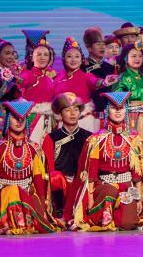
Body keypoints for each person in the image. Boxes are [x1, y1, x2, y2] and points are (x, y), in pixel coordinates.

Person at [67, 91, 143, 231]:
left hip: (126, 187)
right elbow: (91, 174)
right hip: (103, 187)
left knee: (128, 223)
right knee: (109, 191)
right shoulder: (96, 140)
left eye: (121, 108)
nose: (118, 111)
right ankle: (101, 215)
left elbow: (137, 174)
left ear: (126, 110)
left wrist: (139, 197)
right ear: (107, 110)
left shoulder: (134, 140)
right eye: (113, 108)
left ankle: (116, 215)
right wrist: (91, 200)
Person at [0, 99, 63, 234]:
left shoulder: (34, 149)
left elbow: (39, 182)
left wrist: (43, 212)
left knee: (20, 193)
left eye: (22, 118)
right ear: (7, 120)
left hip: (27, 195)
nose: (19, 121)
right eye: (15, 117)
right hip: (4, 197)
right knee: (13, 191)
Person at [42, 92, 92, 220]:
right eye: (68, 110)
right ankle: (59, 212)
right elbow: (48, 167)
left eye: (76, 110)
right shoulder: (51, 138)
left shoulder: (89, 137)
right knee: (54, 177)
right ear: (60, 113)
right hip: (60, 185)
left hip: (81, 183)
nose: (72, 113)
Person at [18, 29, 59, 145]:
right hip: (32, 120)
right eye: (38, 54)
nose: (42, 57)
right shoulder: (27, 74)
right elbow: (21, 84)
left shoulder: (50, 77)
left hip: (48, 120)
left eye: (45, 55)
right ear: (32, 56)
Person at [112, 40, 143, 135]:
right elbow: (116, 100)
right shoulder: (123, 78)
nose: (137, 59)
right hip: (131, 119)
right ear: (126, 58)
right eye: (134, 56)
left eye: (140, 56)